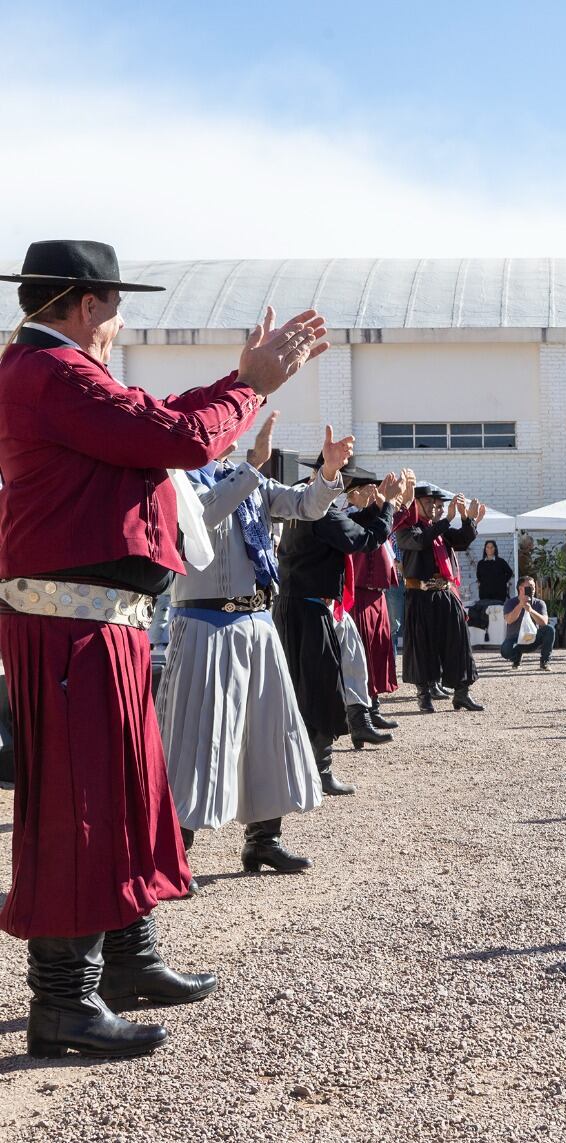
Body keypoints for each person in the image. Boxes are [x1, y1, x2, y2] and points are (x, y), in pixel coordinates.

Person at [0, 240, 326, 1058]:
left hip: (95, 619)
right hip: (75, 625)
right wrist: (250, 383)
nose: (118, 322)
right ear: (83, 305)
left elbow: (160, 425)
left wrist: (236, 383)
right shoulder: (54, 375)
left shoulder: (55, 376)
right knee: (83, 802)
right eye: (113, 306)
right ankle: (64, 999)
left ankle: (126, 959)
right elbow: (178, 437)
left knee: (123, 790)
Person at [158, 422, 351, 890]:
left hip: (257, 623)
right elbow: (202, 519)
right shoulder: (177, 479)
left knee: (270, 732)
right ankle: (172, 853)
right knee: (198, 737)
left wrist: (327, 471)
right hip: (205, 624)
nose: (225, 436)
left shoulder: (252, 480)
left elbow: (304, 506)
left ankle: (263, 837)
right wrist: (250, 468)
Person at [276, 463, 400, 793]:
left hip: (297, 608)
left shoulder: (307, 508)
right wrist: (387, 507)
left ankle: (311, 769)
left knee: (309, 691)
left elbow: (346, 526)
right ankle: (320, 773)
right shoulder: (322, 513)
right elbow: (364, 539)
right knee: (321, 691)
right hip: (309, 610)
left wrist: (375, 510)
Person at [397, 486, 485, 712]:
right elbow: (419, 542)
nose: (435, 507)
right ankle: (424, 695)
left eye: (438, 504)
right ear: (415, 503)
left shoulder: (440, 531)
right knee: (422, 645)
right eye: (430, 503)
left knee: (458, 642)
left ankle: (462, 693)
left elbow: (463, 540)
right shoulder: (407, 527)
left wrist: (466, 517)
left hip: (445, 593)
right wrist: (446, 519)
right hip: (420, 595)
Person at [349, 472, 414, 731]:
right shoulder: (348, 517)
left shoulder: (374, 517)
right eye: (365, 489)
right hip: (358, 593)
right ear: (351, 494)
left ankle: (373, 707)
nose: (371, 493)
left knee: (377, 650)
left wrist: (405, 500)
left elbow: (392, 523)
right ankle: (359, 712)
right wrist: (386, 504)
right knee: (362, 653)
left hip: (377, 593)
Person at [501, 576, 555, 670]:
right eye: (530, 587)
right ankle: (516, 659)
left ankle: (544, 662)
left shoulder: (539, 603)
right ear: (520, 588)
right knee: (505, 651)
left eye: (534, 586)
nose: (533, 589)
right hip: (515, 639)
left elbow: (544, 622)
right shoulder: (510, 603)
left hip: (532, 638)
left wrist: (531, 611)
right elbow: (509, 620)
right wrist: (520, 605)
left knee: (550, 629)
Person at [474, 539, 514, 619]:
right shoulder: (481, 563)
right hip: (484, 594)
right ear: (485, 549)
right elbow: (479, 576)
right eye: (487, 547)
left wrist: (502, 582)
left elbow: (509, 572)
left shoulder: (501, 562)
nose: (489, 549)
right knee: (486, 614)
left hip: (499, 593)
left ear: (495, 548)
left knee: (498, 615)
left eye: (492, 547)